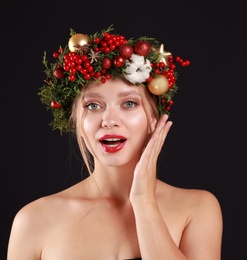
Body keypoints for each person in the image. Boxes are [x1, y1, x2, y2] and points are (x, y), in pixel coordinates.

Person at [7, 25, 223, 260]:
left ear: (153, 118)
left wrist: (144, 201)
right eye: (93, 105)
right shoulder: (33, 221)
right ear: (77, 121)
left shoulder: (198, 209)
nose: (109, 121)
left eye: (129, 103)